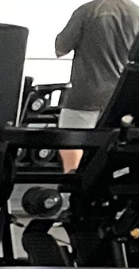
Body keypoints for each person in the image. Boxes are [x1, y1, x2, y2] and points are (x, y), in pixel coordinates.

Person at [56, 0, 139, 173]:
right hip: (122, 98)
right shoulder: (136, 13)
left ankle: (71, 183)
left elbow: (61, 49)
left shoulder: (87, 11)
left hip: (86, 95)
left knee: (70, 141)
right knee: (118, 148)